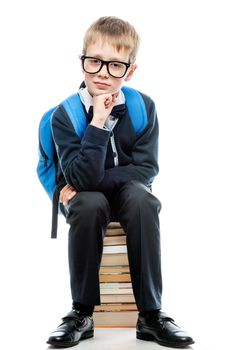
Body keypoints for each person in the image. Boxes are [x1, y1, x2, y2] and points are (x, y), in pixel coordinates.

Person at [46, 16, 194, 348]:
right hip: (89, 202)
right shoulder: (65, 116)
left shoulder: (143, 107)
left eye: (115, 65)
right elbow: (78, 180)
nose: (102, 72)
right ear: (82, 60)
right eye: (94, 61)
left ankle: (151, 315)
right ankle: (81, 312)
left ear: (130, 70)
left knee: (142, 199)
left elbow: (145, 169)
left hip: (130, 195)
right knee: (88, 203)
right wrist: (97, 122)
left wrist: (92, 180)